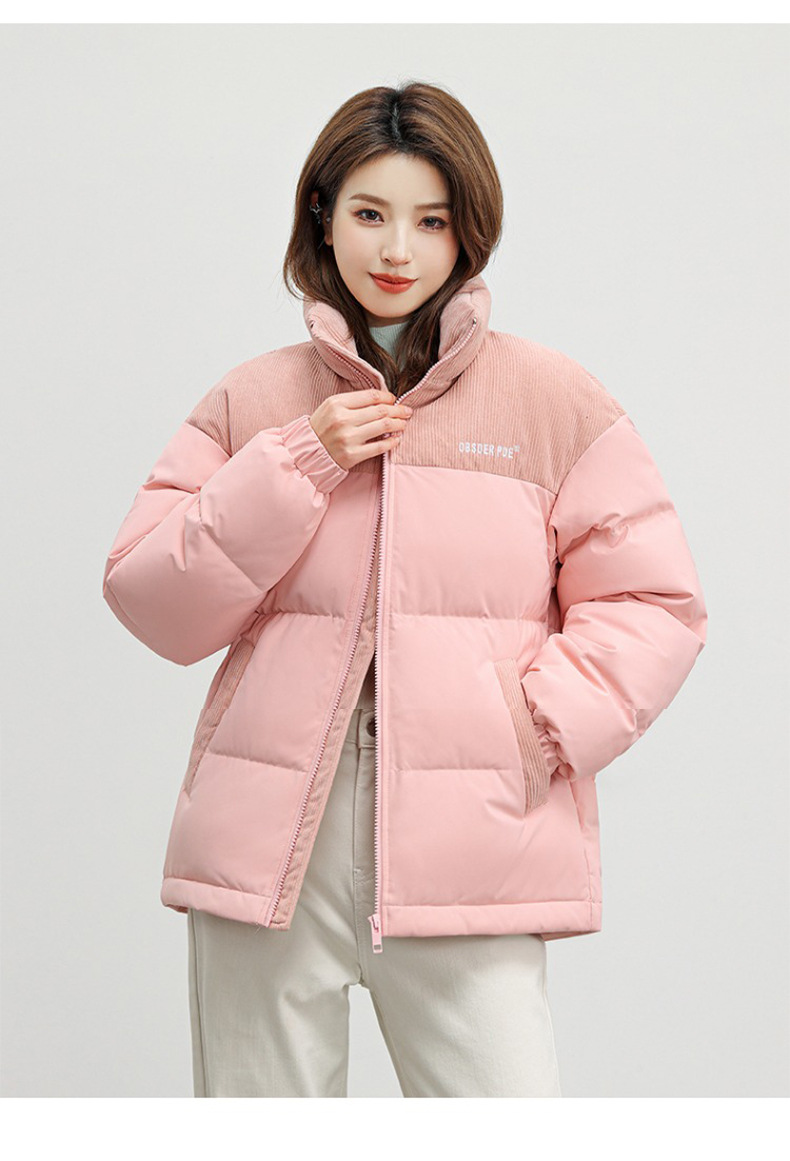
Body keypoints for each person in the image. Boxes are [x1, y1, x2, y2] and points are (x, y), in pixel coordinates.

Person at [102, 81, 708, 1098]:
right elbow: (151, 597)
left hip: (471, 841)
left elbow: (654, 602)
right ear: (322, 217)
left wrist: (533, 729)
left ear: (468, 231)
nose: (397, 249)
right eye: (369, 213)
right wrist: (298, 460)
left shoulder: (553, 401)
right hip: (269, 853)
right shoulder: (254, 400)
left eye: (431, 220)